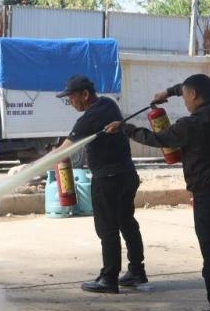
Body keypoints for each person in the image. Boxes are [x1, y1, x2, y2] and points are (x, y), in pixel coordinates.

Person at [104, 74, 210, 311]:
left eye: (187, 96)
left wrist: (124, 128)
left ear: (193, 95)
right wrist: (171, 90)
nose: (186, 103)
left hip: (207, 197)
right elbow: (209, 92)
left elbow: (157, 139)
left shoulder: (191, 124)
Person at [55, 74, 146, 295]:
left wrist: (29, 168)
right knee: (126, 222)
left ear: (85, 95)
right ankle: (136, 271)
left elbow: (63, 150)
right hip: (126, 174)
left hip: (108, 180)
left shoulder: (89, 117)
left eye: (72, 98)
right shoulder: (108, 104)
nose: (70, 103)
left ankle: (109, 279)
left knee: (107, 228)